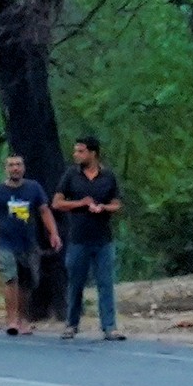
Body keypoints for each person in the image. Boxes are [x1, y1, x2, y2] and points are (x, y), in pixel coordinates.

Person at [51, 134, 125, 341]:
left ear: (93, 153)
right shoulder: (71, 175)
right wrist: (80, 203)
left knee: (105, 283)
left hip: (103, 240)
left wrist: (103, 208)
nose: (76, 155)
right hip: (78, 239)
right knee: (76, 283)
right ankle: (71, 324)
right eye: (76, 151)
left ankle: (109, 326)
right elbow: (57, 203)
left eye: (81, 151)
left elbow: (117, 204)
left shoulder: (108, 176)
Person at [0, 152, 54, 336]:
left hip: (28, 243)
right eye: (11, 165)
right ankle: (11, 320)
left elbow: (44, 211)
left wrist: (54, 233)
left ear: (23, 168)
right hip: (5, 243)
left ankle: (23, 318)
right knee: (11, 279)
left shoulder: (33, 188)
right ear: (6, 169)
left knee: (27, 282)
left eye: (18, 165)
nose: (15, 168)